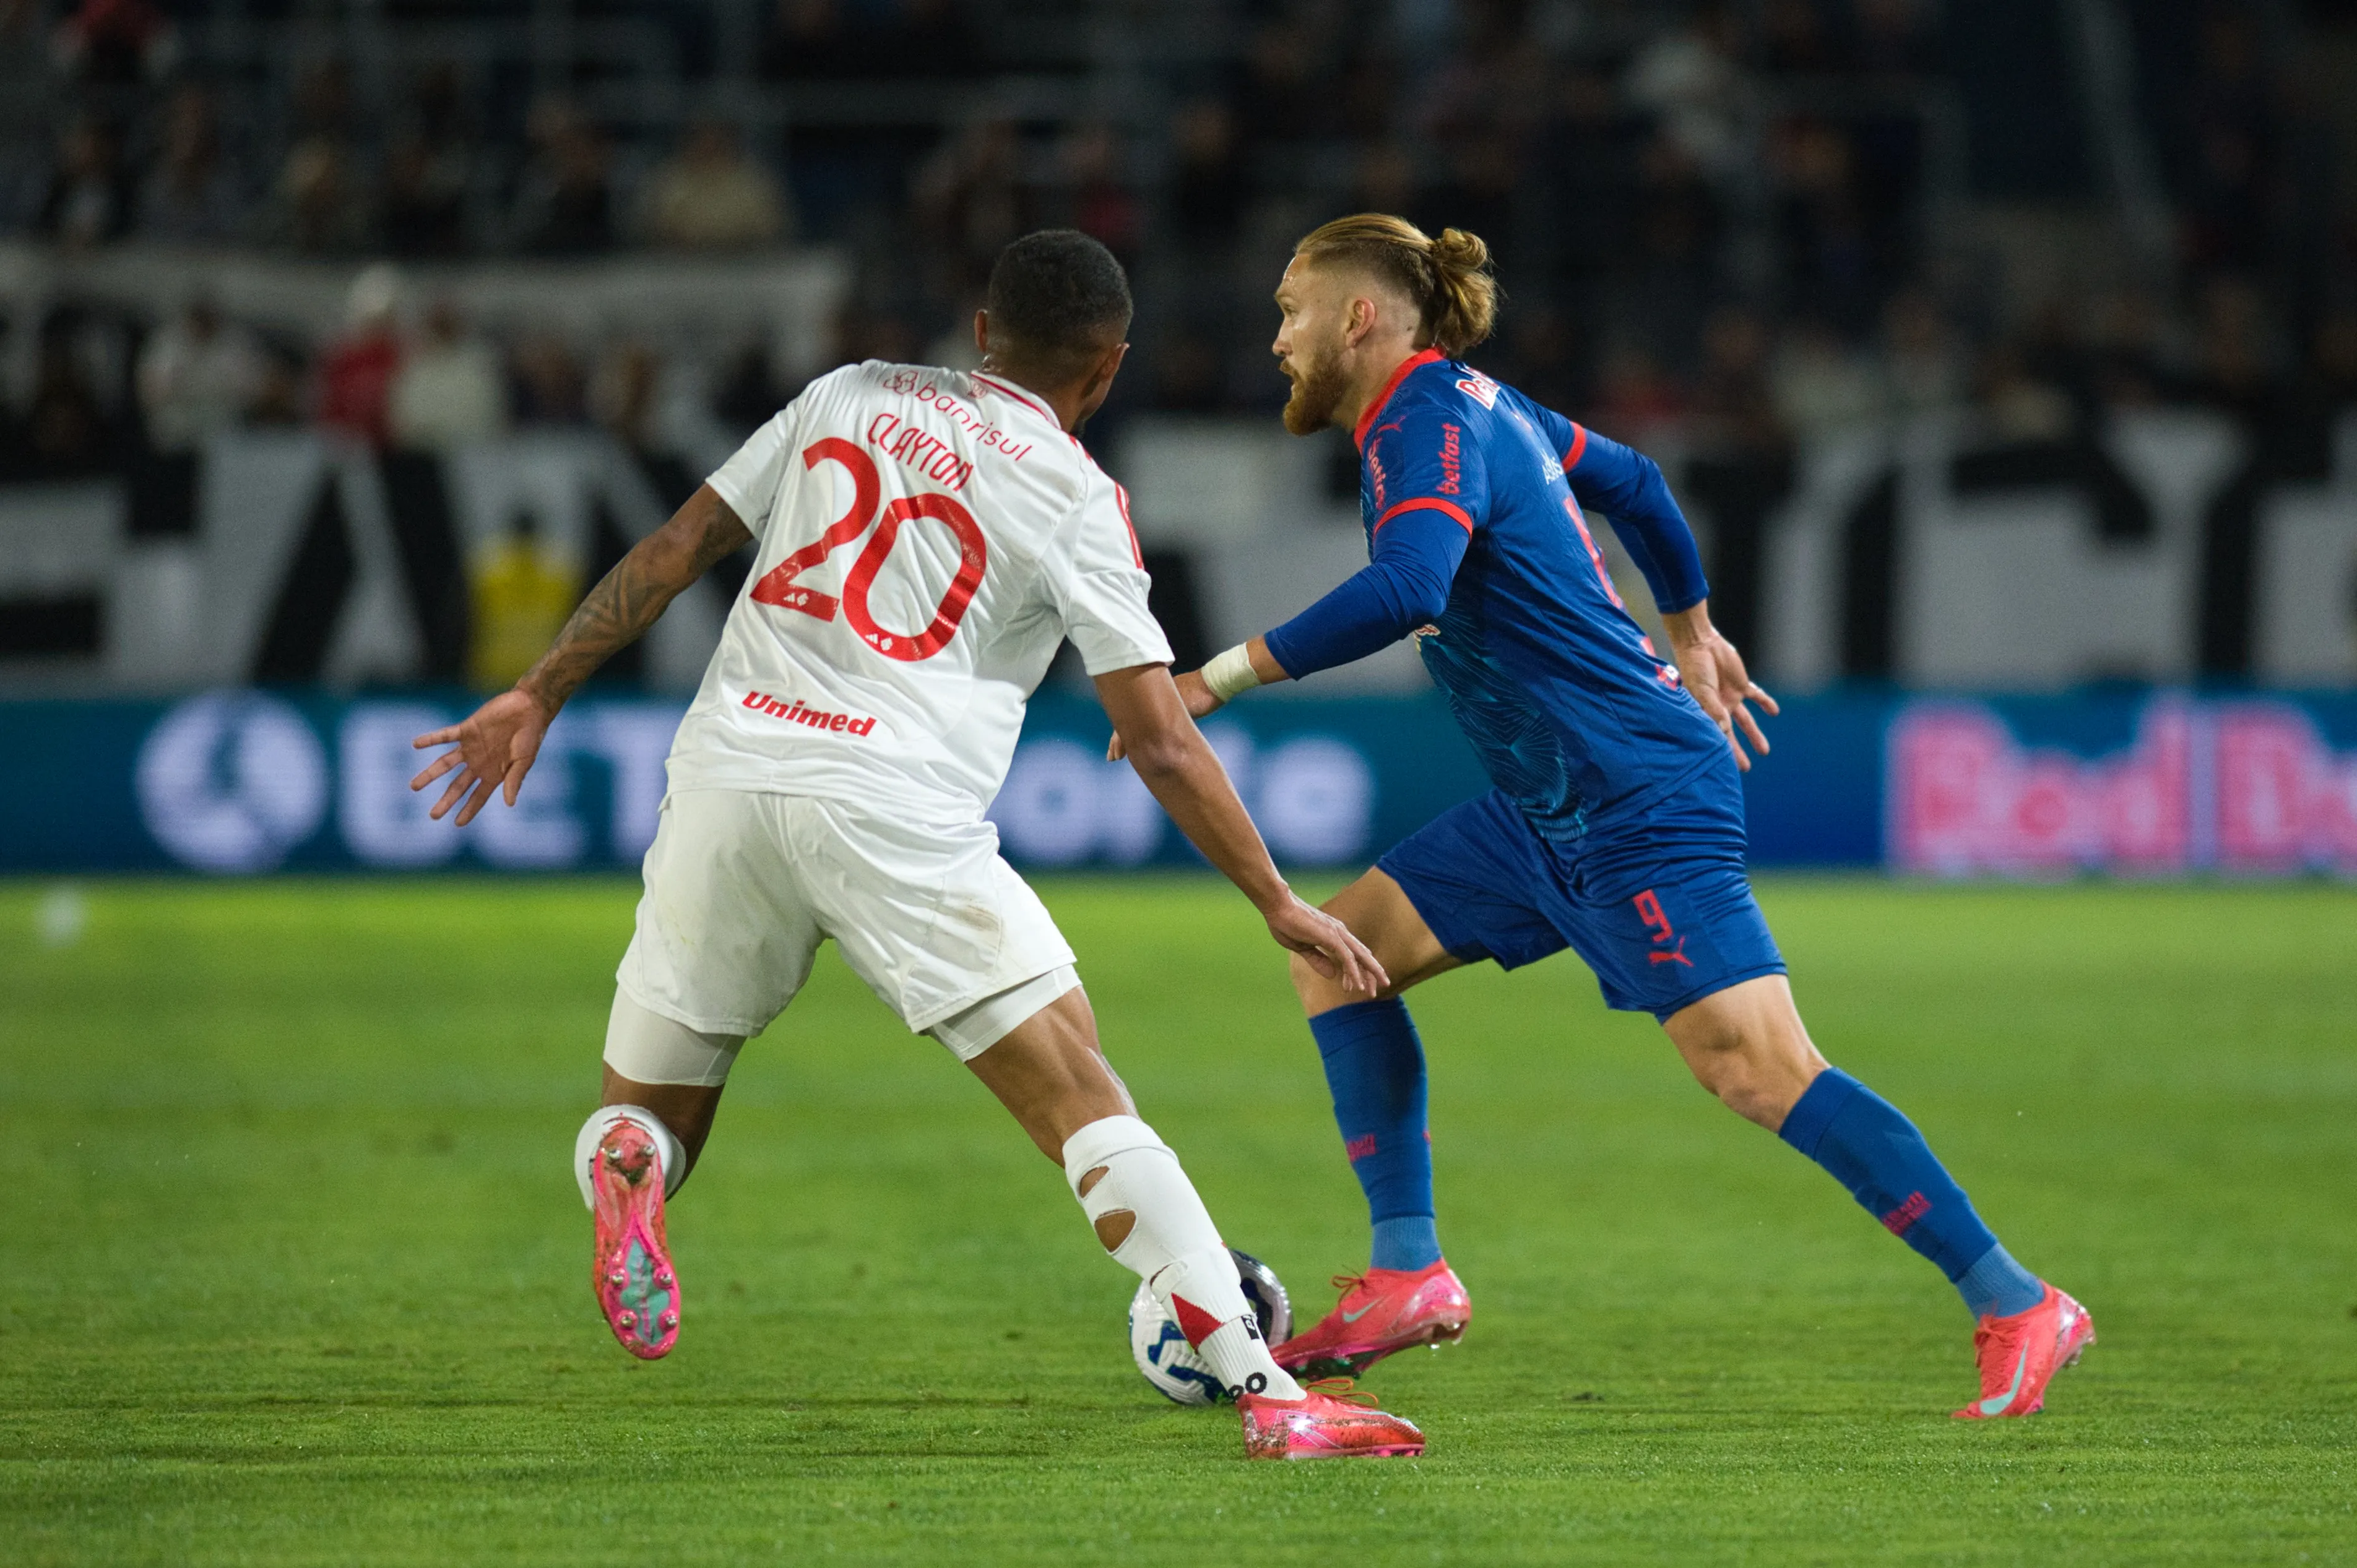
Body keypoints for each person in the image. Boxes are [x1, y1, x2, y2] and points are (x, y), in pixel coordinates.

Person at [408, 230, 1425, 1461]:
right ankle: (1268, 1389)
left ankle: (627, 1162)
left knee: (654, 1114)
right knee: (1080, 1094)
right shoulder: (1074, 494)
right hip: (892, 806)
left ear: (981, 332)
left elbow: (675, 550)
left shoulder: (850, 391)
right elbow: (1157, 739)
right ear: (1105, 370)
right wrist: (1274, 898)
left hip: (726, 771)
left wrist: (537, 690)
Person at [1135, 214, 2093, 1421]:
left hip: (1636, 797)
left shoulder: (1423, 421)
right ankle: (1406, 1270)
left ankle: (2015, 1299)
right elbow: (1633, 484)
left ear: (1357, 319)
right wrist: (1689, 627)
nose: (1275, 340)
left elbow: (1408, 587)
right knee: (1337, 955)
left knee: (1755, 1068)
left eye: (1289, 312)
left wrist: (1206, 681)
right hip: (1549, 805)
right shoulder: (1484, 405)